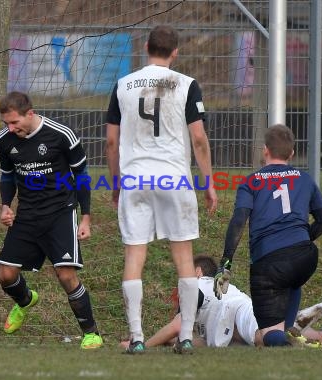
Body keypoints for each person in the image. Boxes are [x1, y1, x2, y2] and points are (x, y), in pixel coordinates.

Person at [106, 25, 218, 354]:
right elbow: (198, 139)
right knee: (183, 258)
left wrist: (116, 184)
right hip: (174, 179)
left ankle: (137, 337)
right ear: (175, 52)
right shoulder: (186, 85)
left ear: (145, 47)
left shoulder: (123, 85)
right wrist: (208, 182)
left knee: (134, 256)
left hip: (136, 178)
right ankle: (184, 336)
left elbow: (112, 142)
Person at [0, 91, 103, 349]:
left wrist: (85, 217)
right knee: (5, 275)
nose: (10, 128)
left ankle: (91, 333)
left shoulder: (61, 135)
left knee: (65, 275)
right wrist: (5, 206)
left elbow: (82, 177)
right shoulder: (4, 141)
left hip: (60, 214)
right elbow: (8, 177)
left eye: (15, 122)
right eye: (6, 123)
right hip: (28, 215)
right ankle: (25, 301)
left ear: (29, 114)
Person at [119, 255, 322, 349]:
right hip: (239, 312)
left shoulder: (198, 285)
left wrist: (141, 342)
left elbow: (177, 324)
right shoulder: (205, 301)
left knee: (266, 337)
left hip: (240, 311)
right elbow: (192, 336)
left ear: (197, 272)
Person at [214, 124, 322, 347]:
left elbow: (239, 221)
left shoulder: (252, 182)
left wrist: (226, 262)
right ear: (292, 153)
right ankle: (289, 329)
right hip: (305, 256)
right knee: (291, 280)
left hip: (269, 263)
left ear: (265, 150)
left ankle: (282, 340)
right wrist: (302, 238)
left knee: (268, 334)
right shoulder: (305, 179)